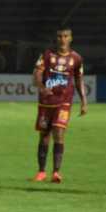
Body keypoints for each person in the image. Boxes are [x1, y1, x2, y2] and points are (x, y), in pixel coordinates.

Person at [32, 27, 88, 183]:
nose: (62, 39)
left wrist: (84, 101)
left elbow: (79, 80)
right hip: (46, 103)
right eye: (59, 36)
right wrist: (42, 88)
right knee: (44, 137)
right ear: (56, 38)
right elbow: (36, 76)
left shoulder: (76, 58)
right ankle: (41, 172)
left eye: (65, 36)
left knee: (59, 132)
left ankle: (56, 172)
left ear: (71, 38)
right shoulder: (47, 55)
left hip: (64, 102)